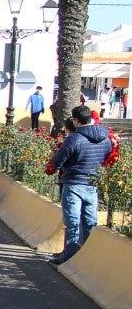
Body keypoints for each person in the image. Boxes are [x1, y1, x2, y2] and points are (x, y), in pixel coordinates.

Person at [47, 105, 114, 264]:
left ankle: (69, 255)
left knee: (73, 222)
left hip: (74, 183)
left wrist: (60, 166)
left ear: (76, 120)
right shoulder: (105, 137)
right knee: (90, 221)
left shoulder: (74, 139)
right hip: (92, 184)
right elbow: (107, 157)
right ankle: (88, 255)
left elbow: (57, 161)